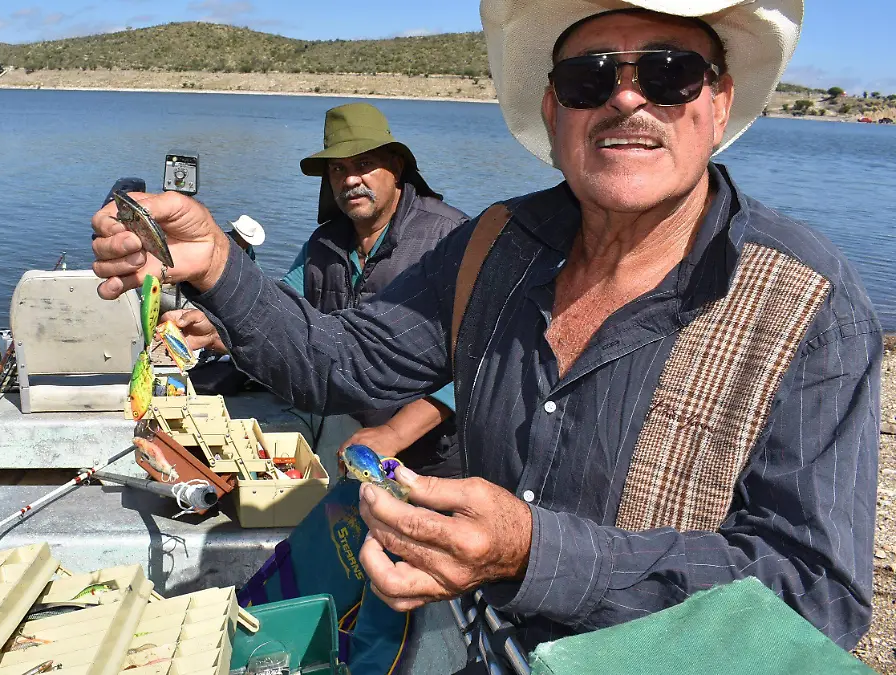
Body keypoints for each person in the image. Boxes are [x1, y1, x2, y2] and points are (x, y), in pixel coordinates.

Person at [92, 0, 880, 652]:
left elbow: (815, 595)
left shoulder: (807, 302)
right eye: (590, 77)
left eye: (668, 72)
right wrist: (217, 261)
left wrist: (534, 552)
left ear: (719, 102)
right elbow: (340, 361)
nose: (626, 100)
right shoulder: (495, 245)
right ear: (554, 109)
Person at [163, 102, 471, 478]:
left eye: (363, 164)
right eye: (338, 169)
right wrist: (218, 328)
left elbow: (480, 358)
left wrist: (394, 433)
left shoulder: (449, 238)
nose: (350, 179)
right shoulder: (323, 244)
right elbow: (282, 322)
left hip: (433, 456)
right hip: (351, 435)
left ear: (396, 166)